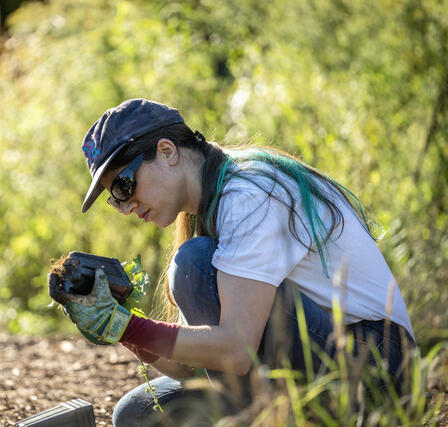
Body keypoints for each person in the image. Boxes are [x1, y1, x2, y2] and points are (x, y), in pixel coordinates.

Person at [48, 98, 416, 426]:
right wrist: (121, 327)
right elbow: (195, 364)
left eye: (124, 185)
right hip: (320, 361)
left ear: (167, 151)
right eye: (115, 198)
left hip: (377, 369)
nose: (125, 206)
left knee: (193, 263)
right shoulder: (207, 206)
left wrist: (126, 326)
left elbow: (236, 352)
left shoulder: (248, 196)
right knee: (137, 415)